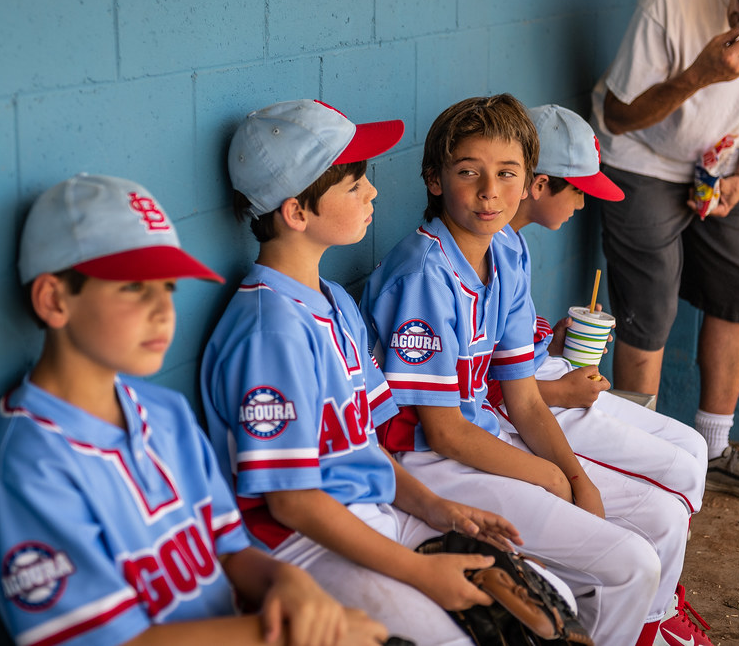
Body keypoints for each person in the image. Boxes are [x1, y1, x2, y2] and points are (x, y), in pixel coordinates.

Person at [0, 173, 387, 646]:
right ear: (54, 299)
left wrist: (284, 581)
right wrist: (285, 634)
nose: (163, 310)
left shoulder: (164, 412)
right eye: (132, 288)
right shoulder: (26, 464)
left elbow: (229, 552)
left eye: (167, 286)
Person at [360, 94, 701, 646]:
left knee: (659, 522)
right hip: (425, 460)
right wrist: (547, 476)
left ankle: (634, 628)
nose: (489, 191)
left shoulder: (500, 251)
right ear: (435, 180)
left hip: (485, 439)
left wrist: (576, 477)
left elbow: (524, 398)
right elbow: (441, 430)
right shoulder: (424, 271)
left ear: (528, 183)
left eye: (506, 174)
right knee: (632, 564)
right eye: (468, 172)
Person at [201, 99, 534, 646]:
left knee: (534, 603)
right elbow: (291, 501)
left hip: (373, 509)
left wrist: (438, 509)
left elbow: (368, 444)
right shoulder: (270, 331)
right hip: (299, 543)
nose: (372, 192)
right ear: (296, 213)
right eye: (354, 185)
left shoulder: (333, 299)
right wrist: (420, 571)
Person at [490, 103, 712, 646]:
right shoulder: (478, 247)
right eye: (577, 188)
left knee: (693, 449)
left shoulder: (509, 241)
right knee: (669, 489)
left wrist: (557, 341)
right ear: (538, 184)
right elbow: (473, 384)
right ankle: (645, 619)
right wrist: (561, 388)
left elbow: (504, 349)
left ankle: (656, 600)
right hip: (519, 406)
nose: (584, 200)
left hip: (543, 378)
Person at [592, 0, 739, 505]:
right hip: (644, 157)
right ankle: (638, 468)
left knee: (737, 297)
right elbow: (617, 116)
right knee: (648, 308)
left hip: (725, 158)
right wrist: (697, 75)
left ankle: (713, 449)